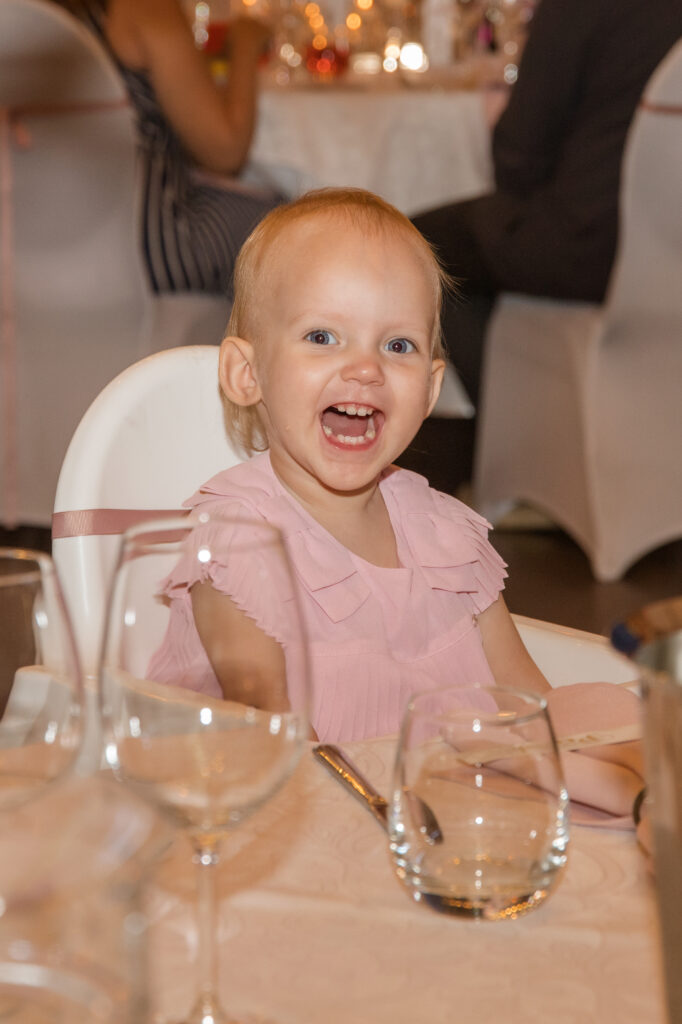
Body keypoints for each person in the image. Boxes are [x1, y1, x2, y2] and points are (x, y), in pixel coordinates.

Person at [148, 187, 644, 825]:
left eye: (398, 346)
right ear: (248, 374)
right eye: (323, 336)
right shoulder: (237, 544)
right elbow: (278, 751)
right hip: (307, 826)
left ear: (431, 390)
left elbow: (531, 706)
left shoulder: (445, 534)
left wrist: (608, 779)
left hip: (465, 822)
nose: (365, 369)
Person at [409, 0, 682, 490]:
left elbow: (519, 154)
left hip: (589, 248)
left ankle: (525, 450)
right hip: (666, 245)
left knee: (414, 246)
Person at [56, 0, 282, 296]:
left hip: (35, 253)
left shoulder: (31, 13)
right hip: (147, 251)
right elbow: (226, 153)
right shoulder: (145, 7)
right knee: (289, 222)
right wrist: (245, 42)